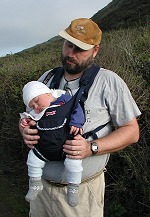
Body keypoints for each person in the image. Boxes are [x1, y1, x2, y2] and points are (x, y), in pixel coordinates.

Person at [19, 18, 141, 217]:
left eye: (80, 49)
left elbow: (132, 131)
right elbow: (29, 117)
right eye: (68, 45)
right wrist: (25, 130)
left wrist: (91, 148)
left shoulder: (109, 81)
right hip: (41, 190)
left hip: (81, 196)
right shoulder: (46, 79)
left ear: (95, 50)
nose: (71, 54)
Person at [20, 81, 84, 206]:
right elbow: (30, 119)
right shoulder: (37, 112)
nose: (36, 107)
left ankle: (73, 188)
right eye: (32, 106)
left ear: (46, 92)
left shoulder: (64, 99)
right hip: (44, 147)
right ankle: (35, 183)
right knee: (32, 159)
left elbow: (77, 108)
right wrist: (25, 122)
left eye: (37, 100)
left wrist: (77, 123)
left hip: (67, 145)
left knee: (74, 163)